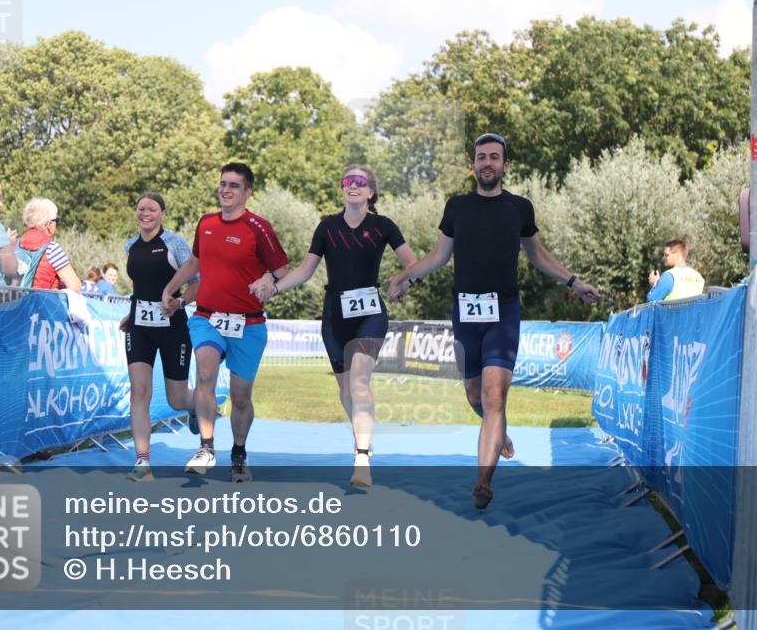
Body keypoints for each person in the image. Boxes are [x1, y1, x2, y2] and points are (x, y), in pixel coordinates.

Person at [387, 133, 601, 509]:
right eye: (481, 157)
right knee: (474, 396)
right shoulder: (456, 207)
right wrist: (406, 276)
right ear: (472, 165)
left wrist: (574, 281)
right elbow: (438, 255)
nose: (487, 163)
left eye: (494, 157)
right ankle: (498, 433)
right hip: (465, 313)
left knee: (493, 396)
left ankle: (483, 481)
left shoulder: (520, 208)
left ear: (505, 165)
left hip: (504, 312)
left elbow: (539, 255)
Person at [252, 165, 416, 486]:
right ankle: (362, 437)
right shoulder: (327, 229)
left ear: (370, 192)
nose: (352, 186)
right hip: (334, 316)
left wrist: (405, 281)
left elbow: (412, 263)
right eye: (347, 181)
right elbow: (304, 270)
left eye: (360, 182)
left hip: (369, 312)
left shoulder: (383, 226)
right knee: (345, 390)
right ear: (342, 189)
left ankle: (362, 457)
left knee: (359, 381)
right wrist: (274, 285)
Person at [162, 163, 289, 483]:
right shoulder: (206, 223)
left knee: (241, 396)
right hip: (208, 318)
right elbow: (194, 263)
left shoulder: (259, 228)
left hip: (249, 324)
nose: (225, 190)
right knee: (205, 374)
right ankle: (206, 447)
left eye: (233, 185)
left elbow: (282, 271)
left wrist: (267, 280)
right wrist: (170, 289)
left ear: (247, 192)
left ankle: (239, 453)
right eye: (222, 184)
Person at [119, 192, 199, 482]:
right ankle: (143, 464)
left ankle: (197, 404)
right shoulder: (130, 245)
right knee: (139, 392)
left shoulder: (174, 244)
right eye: (141, 208)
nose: (145, 213)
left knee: (176, 399)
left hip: (172, 326)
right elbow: (143, 286)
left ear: (162, 212)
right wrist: (134, 311)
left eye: (152, 208)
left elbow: (197, 285)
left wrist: (179, 302)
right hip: (139, 327)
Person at [17, 197, 81, 292]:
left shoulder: (15, 244)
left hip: (13, 304)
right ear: (49, 224)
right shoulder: (52, 249)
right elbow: (75, 286)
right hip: (39, 304)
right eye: (56, 221)